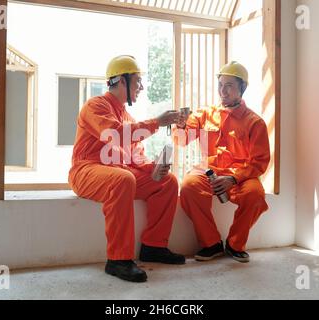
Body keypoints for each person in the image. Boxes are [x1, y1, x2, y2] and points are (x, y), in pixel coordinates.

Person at [68, 55, 185, 283]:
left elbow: (135, 156)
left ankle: (153, 246)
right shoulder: (95, 105)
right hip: (86, 171)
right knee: (122, 180)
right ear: (121, 81)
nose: (141, 87)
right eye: (137, 81)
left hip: (118, 172)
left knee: (167, 182)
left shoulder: (125, 115)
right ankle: (118, 260)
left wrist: (155, 168)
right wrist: (156, 123)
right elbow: (115, 134)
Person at [175, 61, 270, 263]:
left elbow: (260, 162)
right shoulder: (204, 115)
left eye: (229, 86)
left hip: (240, 177)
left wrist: (233, 179)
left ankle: (235, 245)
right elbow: (181, 141)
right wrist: (180, 126)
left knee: (255, 195)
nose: (223, 91)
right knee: (189, 186)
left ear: (242, 88)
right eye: (220, 85)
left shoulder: (255, 122)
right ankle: (211, 243)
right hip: (208, 172)